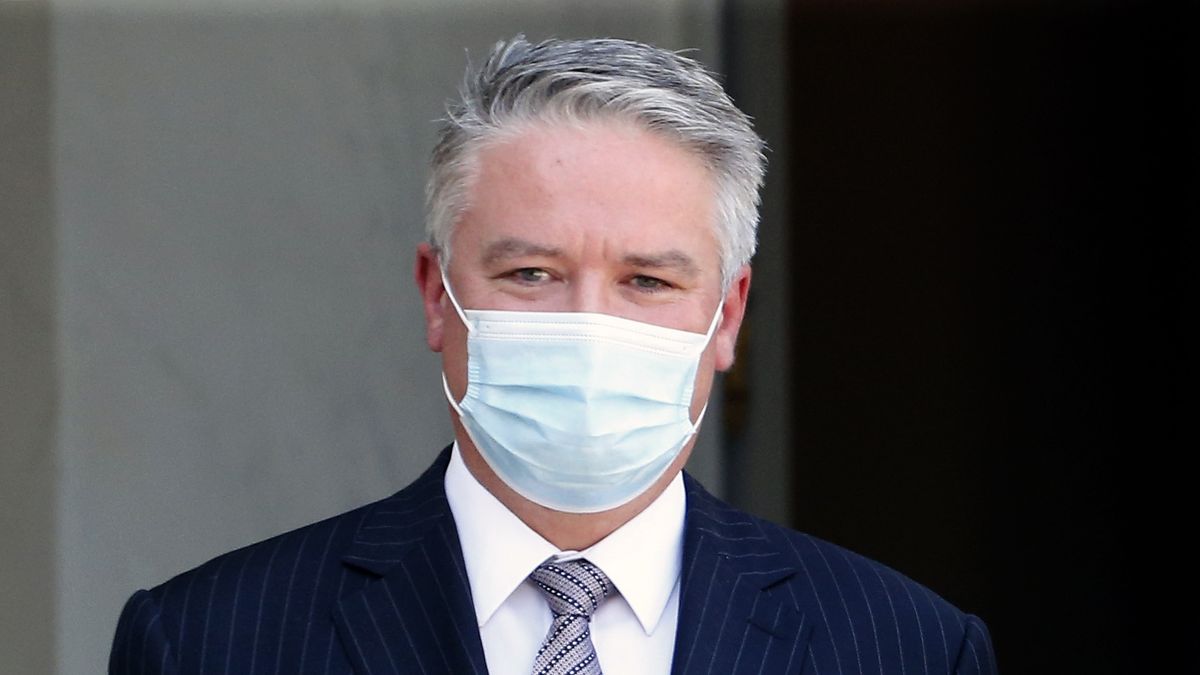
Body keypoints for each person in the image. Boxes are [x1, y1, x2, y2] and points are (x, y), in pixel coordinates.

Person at [110, 36, 996, 675]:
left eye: (647, 280)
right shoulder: (207, 641)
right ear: (436, 293)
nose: (588, 324)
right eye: (531, 273)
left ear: (727, 316)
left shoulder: (907, 648)